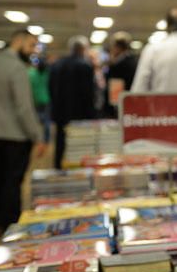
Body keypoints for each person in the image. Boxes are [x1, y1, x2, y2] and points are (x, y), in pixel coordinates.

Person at [0, 29, 46, 237]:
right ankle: (9, 224)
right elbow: (23, 107)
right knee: (12, 181)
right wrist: (37, 135)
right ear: (19, 40)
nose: (33, 50)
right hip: (16, 136)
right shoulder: (17, 68)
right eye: (31, 45)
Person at [49, 35, 96, 169]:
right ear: (83, 49)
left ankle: (57, 168)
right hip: (80, 115)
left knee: (60, 144)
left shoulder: (56, 65)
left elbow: (51, 89)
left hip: (60, 113)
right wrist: (92, 115)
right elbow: (88, 94)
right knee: (79, 147)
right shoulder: (85, 66)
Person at [104, 31, 138, 118]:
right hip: (132, 104)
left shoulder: (118, 65)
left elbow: (115, 93)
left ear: (117, 47)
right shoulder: (135, 61)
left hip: (122, 107)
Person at [28, 55, 51, 143]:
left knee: (35, 120)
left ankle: (36, 138)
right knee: (46, 122)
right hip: (46, 100)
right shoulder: (47, 74)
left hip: (35, 100)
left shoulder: (31, 73)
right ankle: (46, 139)